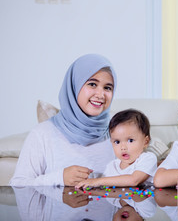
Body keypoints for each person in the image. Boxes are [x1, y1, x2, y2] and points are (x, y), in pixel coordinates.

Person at [10, 54, 117, 186]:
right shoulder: (43, 134)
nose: (100, 95)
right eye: (92, 84)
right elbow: (18, 185)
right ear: (74, 86)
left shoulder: (119, 130)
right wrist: (59, 178)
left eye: (107, 88)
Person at [75, 109, 157, 189]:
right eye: (117, 142)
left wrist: (97, 181)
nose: (123, 147)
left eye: (130, 140)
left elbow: (134, 180)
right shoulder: (112, 166)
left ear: (145, 142)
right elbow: (106, 184)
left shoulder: (148, 158)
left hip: (147, 199)